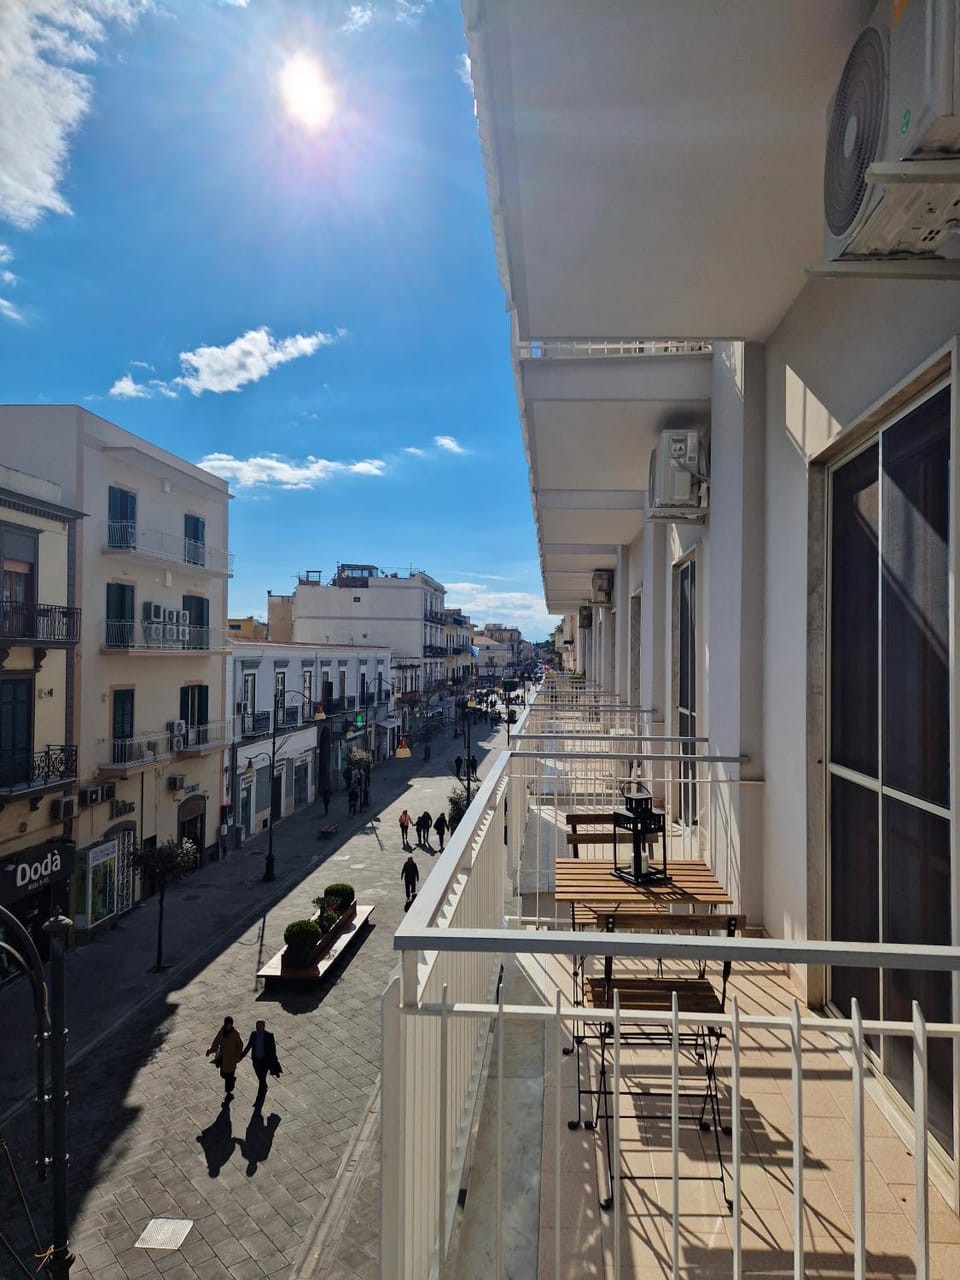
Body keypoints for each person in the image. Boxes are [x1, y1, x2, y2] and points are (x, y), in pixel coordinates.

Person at [206, 1015, 244, 1103]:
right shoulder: (222, 1031)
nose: (229, 1026)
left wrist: (237, 1057)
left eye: (231, 1024)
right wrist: (210, 1050)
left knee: (228, 1077)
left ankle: (228, 1095)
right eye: (228, 1024)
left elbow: (240, 1045)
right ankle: (232, 1082)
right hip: (223, 1057)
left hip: (231, 1059)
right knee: (223, 1074)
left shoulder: (235, 1033)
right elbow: (216, 1041)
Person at [241, 1019, 281, 1101]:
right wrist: (241, 1056)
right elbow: (249, 1046)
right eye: (257, 1027)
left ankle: (261, 1093)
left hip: (264, 1060)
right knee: (259, 1075)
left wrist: (274, 1060)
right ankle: (263, 1085)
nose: (258, 1028)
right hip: (256, 1060)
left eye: (260, 1026)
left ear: (264, 1027)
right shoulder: (253, 1034)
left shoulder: (269, 1036)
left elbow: (273, 1050)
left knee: (262, 1077)